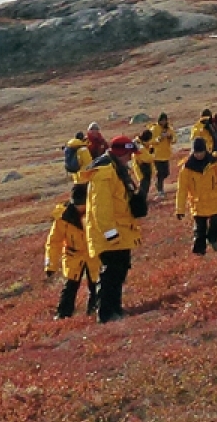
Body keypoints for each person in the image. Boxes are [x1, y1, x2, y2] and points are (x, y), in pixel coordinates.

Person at [83, 136, 152, 322]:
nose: (131, 158)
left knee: (119, 272)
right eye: (129, 154)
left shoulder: (119, 170)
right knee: (111, 274)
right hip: (109, 235)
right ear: (121, 153)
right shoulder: (104, 173)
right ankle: (106, 314)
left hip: (122, 232)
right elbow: (101, 208)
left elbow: (146, 161)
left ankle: (115, 309)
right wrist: (110, 233)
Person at [173, 137, 217, 254]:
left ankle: (213, 240)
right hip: (198, 205)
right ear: (193, 152)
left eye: (201, 152)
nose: (199, 155)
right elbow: (182, 190)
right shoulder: (186, 169)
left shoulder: (215, 165)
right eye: (196, 152)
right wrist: (180, 209)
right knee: (200, 232)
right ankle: (200, 255)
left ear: (205, 150)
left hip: (216, 203)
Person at [42, 185, 99, 319]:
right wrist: (50, 265)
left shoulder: (96, 211)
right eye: (78, 204)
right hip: (73, 256)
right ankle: (63, 314)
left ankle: (96, 310)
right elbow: (54, 242)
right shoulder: (63, 219)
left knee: (96, 284)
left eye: (83, 204)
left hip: (93, 254)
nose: (81, 208)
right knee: (70, 287)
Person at [142, 113, 175, 195]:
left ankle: (158, 183)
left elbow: (174, 140)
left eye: (165, 120)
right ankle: (160, 190)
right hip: (156, 155)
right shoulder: (154, 129)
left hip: (166, 154)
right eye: (162, 120)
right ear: (159, 120)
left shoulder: (169, 129)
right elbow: (149, 141)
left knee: (166, 173)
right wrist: (158, 139)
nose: (163, 122)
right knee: (160, 173)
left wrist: (170, 137)